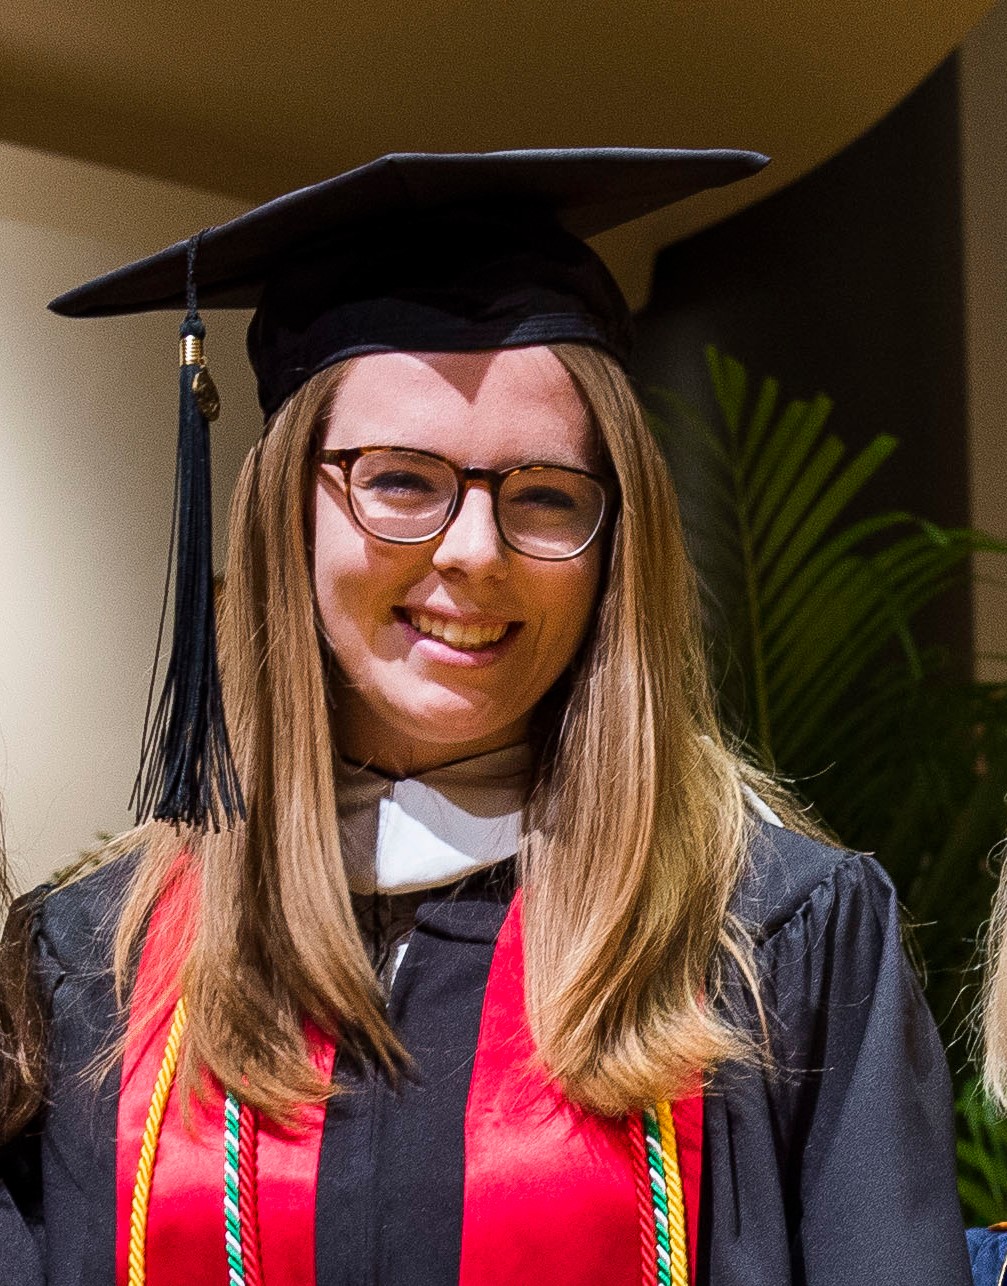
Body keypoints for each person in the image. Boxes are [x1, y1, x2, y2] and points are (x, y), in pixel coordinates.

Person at [0, 148, 971, 1286]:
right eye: (398, 479)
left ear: (615, 546)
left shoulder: (773, 942)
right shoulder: (94, 966)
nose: (473, 550)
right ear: (282, 516)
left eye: (545, 494)